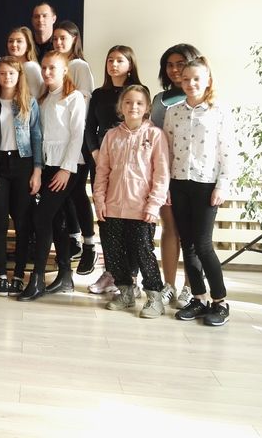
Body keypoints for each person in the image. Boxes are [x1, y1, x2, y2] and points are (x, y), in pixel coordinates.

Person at [164, 57, 237, 327]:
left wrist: (223, 185)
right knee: (188, 244)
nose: (191, 83)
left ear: (207, 81)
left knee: (203, 245)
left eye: (196, 79)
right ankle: (198, 298)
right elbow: (166, 151)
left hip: (206, 184)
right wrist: (166, 186)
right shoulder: (173, 112)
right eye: (186, 79)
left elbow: (228, 151)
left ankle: (220, 301)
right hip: (178, 183)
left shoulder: (219, 111)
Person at [93, 85, 169, 317]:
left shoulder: (155, 135)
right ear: (120, 107)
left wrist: (154, 204)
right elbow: (102, 172)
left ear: (147, 107)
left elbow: (161, 173)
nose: (133, 107)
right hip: (112, 207)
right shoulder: (111, 136)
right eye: (128, 102)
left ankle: (154, 298)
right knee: (113, 253)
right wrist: (99, 201)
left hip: (141, 208)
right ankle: (125, 292)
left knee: (144, 253)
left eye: (139, 103)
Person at [18, 51, 85, 301]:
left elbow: (77, 135)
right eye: (44, 68)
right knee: (56, 220)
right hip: (48, 165)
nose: (46, 72)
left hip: (66, 167)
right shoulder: (44, 98)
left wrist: (66, 169)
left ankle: (36, 278)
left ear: (64, 70)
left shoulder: (74, 97)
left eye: (52, 68)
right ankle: (65, 275)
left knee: (41, 216)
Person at [82, 45, 144, 278]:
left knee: (129, 218)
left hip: (129, 163)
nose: (113, 64)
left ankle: (130, 275)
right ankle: (110, 272)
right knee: (105, 217)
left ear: (130, 65)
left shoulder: (138, 91)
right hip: (101, 161)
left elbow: (142, 127)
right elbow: (89, 127)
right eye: (110, 60)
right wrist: (95, 153)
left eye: (119, 60)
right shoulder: (99, 94)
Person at [0, 58, 42, 296]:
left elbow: (36, 136)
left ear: (19, 76)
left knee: (22, 222)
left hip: (22, 163)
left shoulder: (29, 101)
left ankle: (18, 275)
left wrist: (37, 170)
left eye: (11, 73)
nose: (7, 77)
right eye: (2, 73)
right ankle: (1, 275)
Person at [149, 43, 202, 308]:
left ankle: (191, 288)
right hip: (165, 174)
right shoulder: (160, 99)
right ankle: (168, 285)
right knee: (169, 229)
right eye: (169, 65)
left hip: (196, 176)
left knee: (193, 235)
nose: (174, 69)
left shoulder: (202, 99)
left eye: (180, 63)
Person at [51, 20, 95, 266]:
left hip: (78, 139)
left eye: (63, 38)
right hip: (61, 141)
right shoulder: (55, 65)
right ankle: (75, 239)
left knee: (76, 192)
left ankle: (89, 244)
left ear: (74, 40)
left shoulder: (78, 65)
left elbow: (84, 102)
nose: (58, 42)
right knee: (66, 194)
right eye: (55, 38)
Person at [6, 26, 44, 98]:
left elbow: (35, 98)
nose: (14, 44)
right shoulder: (10, 67)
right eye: (11, 41)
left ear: (28, 46)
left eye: (19, 41)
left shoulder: (30, 67)